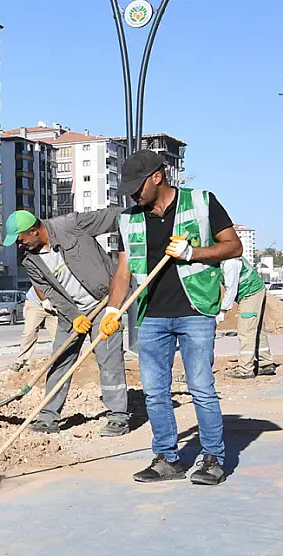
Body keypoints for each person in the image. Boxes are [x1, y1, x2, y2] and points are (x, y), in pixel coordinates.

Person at [103, 150, 243, 486]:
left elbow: (233, 247)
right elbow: (123, 271)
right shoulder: (129, 218)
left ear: (157, 176)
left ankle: (212, 458)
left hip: (195, 311)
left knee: (201, 388)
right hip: (151, 315)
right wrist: (113, 309)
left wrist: (192, 253)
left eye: (138, 186)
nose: (134, 195)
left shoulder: (201, 203)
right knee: (154, 392)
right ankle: (167, 458)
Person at [4, 208, 130, 436]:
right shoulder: (29, 259)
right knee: (60, 359)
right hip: (71, 312)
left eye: (21, 239)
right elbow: (48, 291)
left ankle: (118, 417)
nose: (19, 245)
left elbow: (116, 216)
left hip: (104, 301)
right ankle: (48, 417)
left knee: (108, 358)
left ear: (33, 231)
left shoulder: (71, 225)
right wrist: (74, 316)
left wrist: (143, 226)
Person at [220, 256, 275, 379]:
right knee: (259, 329)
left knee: (246, 331)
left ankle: (245, 369)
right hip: (256, 289)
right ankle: (266, 363)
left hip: (250, 293)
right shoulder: (230, 256)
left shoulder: (230, 262)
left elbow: (231, 289)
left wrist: (223, 310)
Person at [10, 286, 58, 372]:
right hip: (35, 303)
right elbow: (37, 284)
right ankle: (21, 361)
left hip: (54, 307)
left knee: (59, 335)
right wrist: (44, 301)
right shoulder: (53, 273)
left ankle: (62, 359)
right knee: (29, 333)